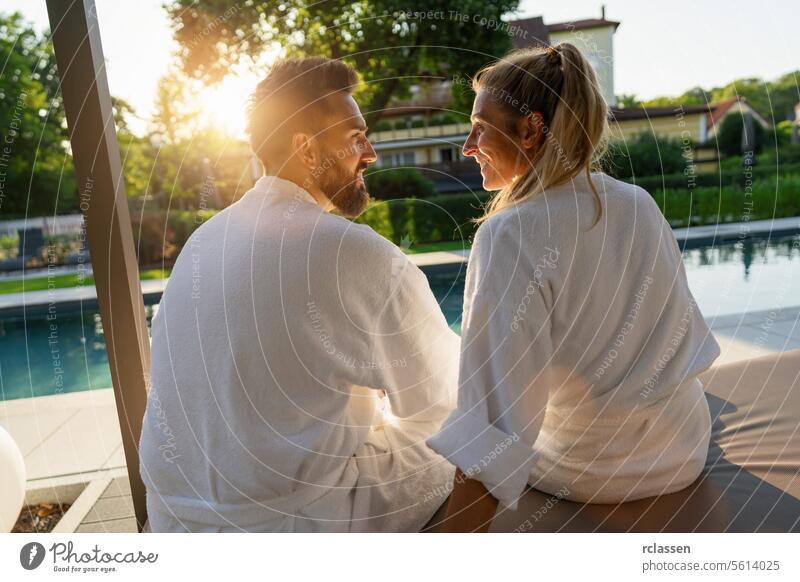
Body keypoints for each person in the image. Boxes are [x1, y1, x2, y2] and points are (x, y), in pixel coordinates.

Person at [139, 57, 459, 532]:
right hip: (289, 529)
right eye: (355, 137)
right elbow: (441, 401)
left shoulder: (202, 243)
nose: (369, 152)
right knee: (467, 431)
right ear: (307, 150)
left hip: (175, 519)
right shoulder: (355, 253)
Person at [427, 43, 721, 532]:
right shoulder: (639, 203)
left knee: (434, 417)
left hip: (594, 470)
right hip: (682, 450)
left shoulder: (509, 234)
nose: (467, 146)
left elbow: (493, 422)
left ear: (529, 130)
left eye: (480, 126)